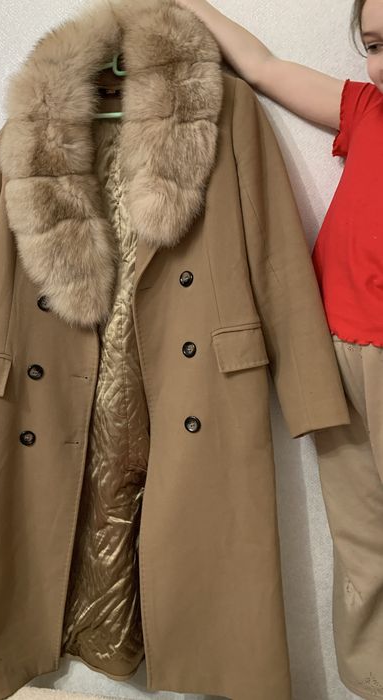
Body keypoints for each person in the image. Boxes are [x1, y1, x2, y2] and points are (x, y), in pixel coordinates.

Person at [174, 1, 383, 699]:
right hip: (337, 354)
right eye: (375, 45)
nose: (381, 64)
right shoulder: (366, 110)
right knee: (361, 540)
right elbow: (261, 67)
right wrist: (191, 7)